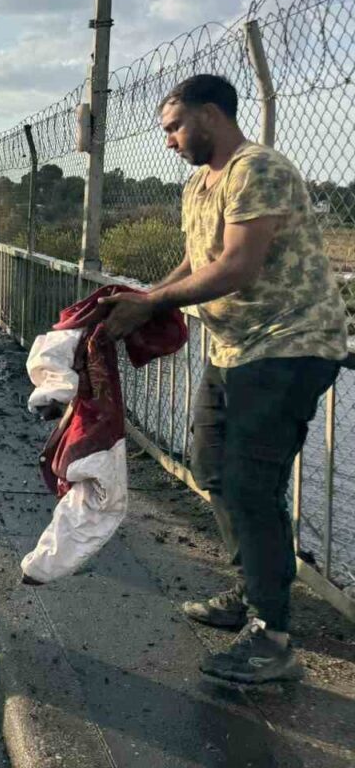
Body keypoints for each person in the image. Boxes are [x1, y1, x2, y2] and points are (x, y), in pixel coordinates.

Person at [100, 74, 348, 685]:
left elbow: (237, 266)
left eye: (175, 127)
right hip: (235, 347)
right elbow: (199, 259)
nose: (169, 140)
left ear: (211, 114)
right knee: (211, 466)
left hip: (290, 345)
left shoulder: (255, 169)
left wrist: (154, 307)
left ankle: (274, 637)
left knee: (249, 479)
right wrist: (148, 295)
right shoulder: (198, 184)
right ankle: (252, 588)